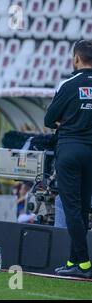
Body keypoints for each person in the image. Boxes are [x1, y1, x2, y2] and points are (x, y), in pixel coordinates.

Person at [44, 40, 92, 278]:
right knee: (83, 208)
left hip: (70, 149)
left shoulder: (68, 84)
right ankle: (74, 261)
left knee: (71, 207)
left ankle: (84, 263)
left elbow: (48, 118)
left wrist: (67, 122)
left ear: (76, 59)